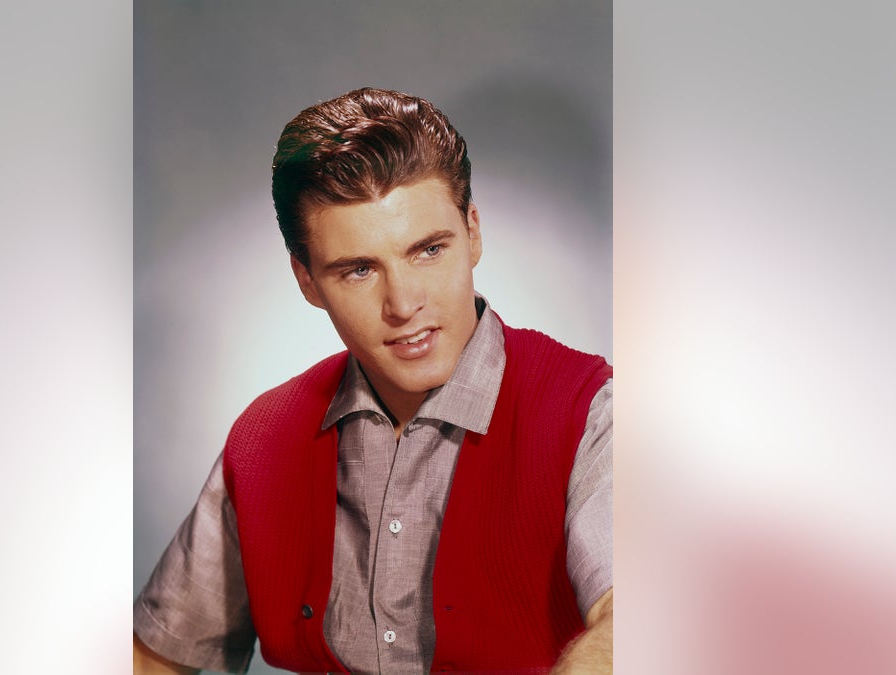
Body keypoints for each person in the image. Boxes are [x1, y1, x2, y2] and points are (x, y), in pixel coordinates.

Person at [134, 87, 613, 674]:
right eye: (359, 269)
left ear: (474, 233)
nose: (404, 303)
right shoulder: (264, 438)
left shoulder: (589, 410)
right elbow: (155, 655)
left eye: (428, 250)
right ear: (306, 281)